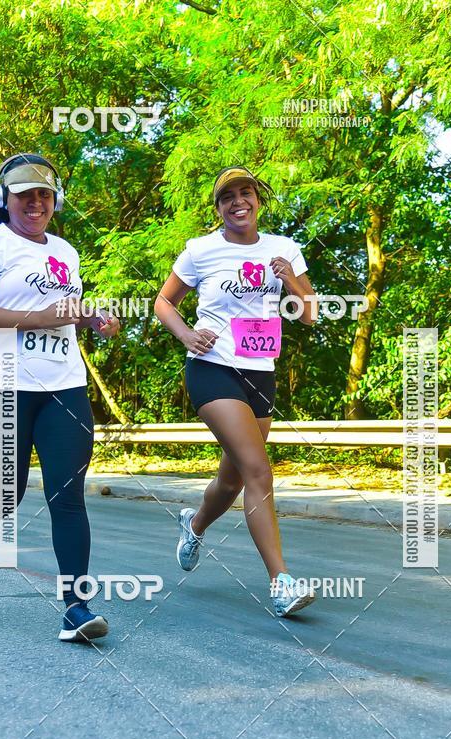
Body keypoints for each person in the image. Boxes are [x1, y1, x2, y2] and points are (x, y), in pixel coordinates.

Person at [0, 153, 119, 643]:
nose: (36, 203)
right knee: (9, 490)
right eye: (25, 194)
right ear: (6, 199)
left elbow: (63, 312)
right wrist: (42, 317)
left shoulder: (66, 252)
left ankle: (76, 608)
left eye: (44, 194)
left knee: (67, 495)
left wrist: (96, 320)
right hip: (2, 381)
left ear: (55, 201)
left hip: (63, 383)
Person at [154, 165, 317, 618]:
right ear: (219, 207)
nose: (237, 202)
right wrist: (187, 335)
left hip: (259, 370)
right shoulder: (200, 250)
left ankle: (195, 523)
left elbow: (309, 314)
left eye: (245, 193)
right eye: (228, 197)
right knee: (258, 470)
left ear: (258, 200)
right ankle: (281, 582)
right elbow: (164, 301)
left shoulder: (283, 248)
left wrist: (292, 280)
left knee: (232, 479)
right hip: (212, 369)